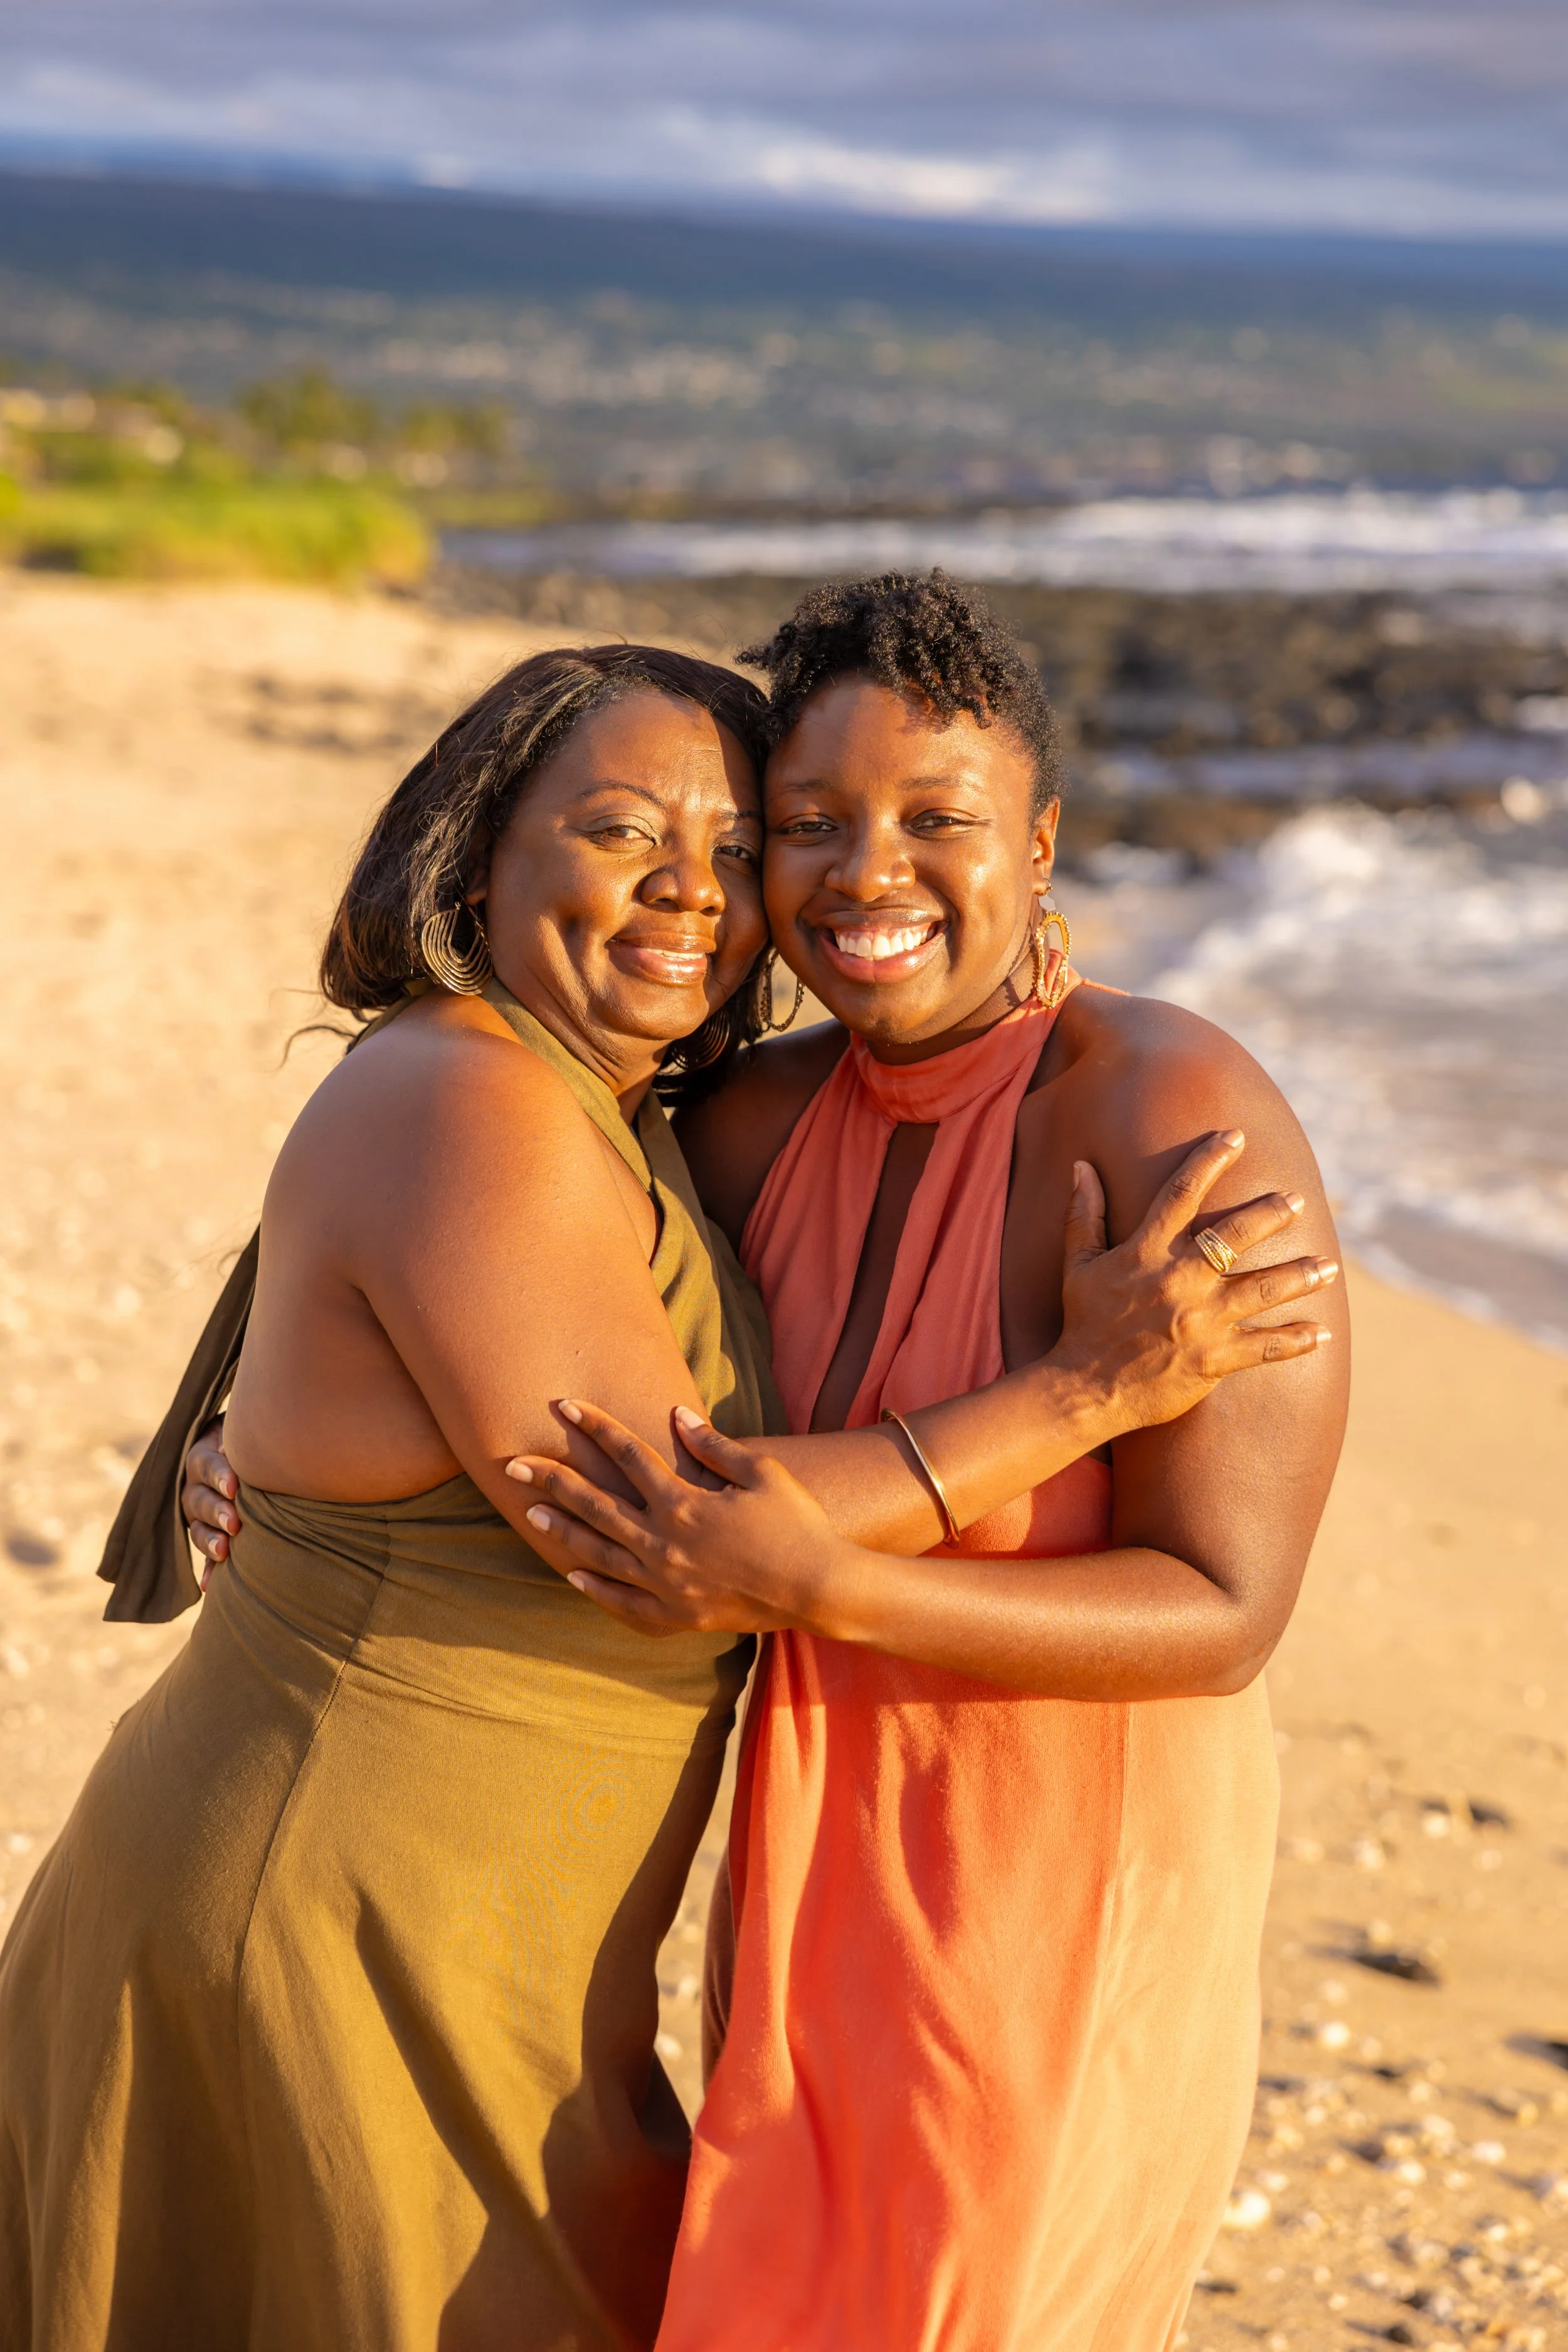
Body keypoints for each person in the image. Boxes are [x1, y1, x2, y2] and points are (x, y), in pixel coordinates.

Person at [0, 637, 1330, 2352]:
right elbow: (669, 1526)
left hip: (546, 1939)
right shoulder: (480, 1092)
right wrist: (1080, 1391)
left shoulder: (656, 1114)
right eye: (624, 829)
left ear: (1042, 840)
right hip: (339, 1918)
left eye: (724, 843)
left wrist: (258, 1426)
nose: (689, 890)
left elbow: (1224, 1594)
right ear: (476, 849)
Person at [504, 575, 1350, 2352]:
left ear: (1037, 843)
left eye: (936, 819)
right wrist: (235, 1445)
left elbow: (1225, 1607)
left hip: (1056, 1899)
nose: (865, 871)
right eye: (810, 824)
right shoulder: (740, 1122)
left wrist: (829, 1587)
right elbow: (476, 1230)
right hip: (800, 1872)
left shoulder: (1168, 1116)